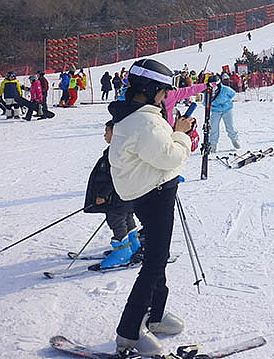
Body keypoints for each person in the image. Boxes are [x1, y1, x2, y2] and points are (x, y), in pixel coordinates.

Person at [108, 58, 192, 355]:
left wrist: (172, 133)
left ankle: (154, 315)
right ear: (151, 88)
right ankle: (129, 332)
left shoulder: (133, 115)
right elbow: (169, 157)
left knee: (159, 254)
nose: (165, 97)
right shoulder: (144, 120)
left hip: (148, 191)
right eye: (163, 92)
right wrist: (182, 133)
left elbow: (154, 148)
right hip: (154, 194)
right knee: (155, 262)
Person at [84, 120, 141, 269]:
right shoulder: (122, 149)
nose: (104, 135)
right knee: (127, 217)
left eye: (107, 132)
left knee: (116, 220)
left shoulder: (116, 153)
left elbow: (114, 176)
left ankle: (122, 254)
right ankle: (133, 245)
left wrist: (103, 194)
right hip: (126, 196)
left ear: (115, 134)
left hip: (116, 198)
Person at [208, 74, 241, 152]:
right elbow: (204, 102)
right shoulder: (209, 91)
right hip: (216, 111)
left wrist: (226, 101)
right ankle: (213, 144)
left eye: (214, 84)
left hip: (227, 109)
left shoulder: (225, 89)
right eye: (211, 84)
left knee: (230, 126)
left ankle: (234, 139)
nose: (213, 86)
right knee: (213, 127)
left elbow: (233, 93)